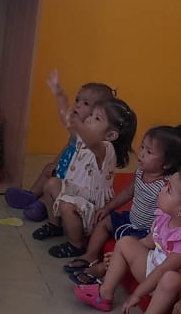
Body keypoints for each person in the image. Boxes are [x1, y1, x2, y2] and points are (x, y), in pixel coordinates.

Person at [71, 169, 181, 314]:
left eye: (169, 189)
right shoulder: (165, 216)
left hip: (178, 291)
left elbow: (164, 270)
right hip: (155, 271)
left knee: (170, 278)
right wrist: (120, 255)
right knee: (125, 242)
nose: (162, 189)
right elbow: (147, 242)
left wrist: (137, 293)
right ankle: (105, 294)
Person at [63, 124, 181, 284]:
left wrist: (153, 239)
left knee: (125, 249)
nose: (141, 153)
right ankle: (91, 254)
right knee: (104, 222)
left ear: (166, 164)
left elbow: (166, 218)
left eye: (149, 152)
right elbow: (128, 192)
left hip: (145, 233)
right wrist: (108, 208)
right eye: (142, 147)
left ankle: (101, 269)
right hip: (130, 219)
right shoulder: (140, 172)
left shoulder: (165, 187)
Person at [6, 72, 114, 230]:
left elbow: (67, 119)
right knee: (47, 171)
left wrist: (60, 95)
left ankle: (42, 204)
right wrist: (56, 162)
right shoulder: (78, 132)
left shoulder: (94, 139)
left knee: (54, 188)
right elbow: (68, 146)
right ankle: (31, 195)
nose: (77, 105)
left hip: (76, 181)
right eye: (77, 100)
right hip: (66, 167)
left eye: (85, 103)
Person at [42, 98, 137, 259]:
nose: (89, 119)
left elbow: (91, 141)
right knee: (51, 184)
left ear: (111, 135)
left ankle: (76, 245)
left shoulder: (105, 149)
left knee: (67, 205)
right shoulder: (84, 139)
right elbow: (68, 122)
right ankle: (55, 225)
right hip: (75, 193)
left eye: (97, 118)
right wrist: (59, 95)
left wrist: (79, 123)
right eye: (91, 115)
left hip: (92, 207)